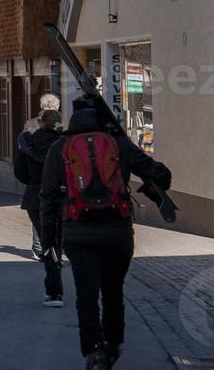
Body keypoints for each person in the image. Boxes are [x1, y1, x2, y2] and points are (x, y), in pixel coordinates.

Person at [40, 93, 171, 369]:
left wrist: (48, 239)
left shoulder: (60, 148)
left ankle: (93, 351)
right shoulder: (118, 144)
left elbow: (49, 197)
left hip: (77, 233)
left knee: (86, 296)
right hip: (117, 231)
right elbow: (161, 175)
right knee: (113, 291)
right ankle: (113, 346)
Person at [15, 108, 64, 307]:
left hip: (35, 196)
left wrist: (34, 180)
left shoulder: (29, 142)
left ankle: (53, 291)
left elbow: (20, 173)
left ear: (41, 122)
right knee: (57, 241)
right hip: (60, 195)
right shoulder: (63, 145)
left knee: (47, 242)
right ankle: (56, 288)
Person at [22, 91, 63, 259]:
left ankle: (39, 247)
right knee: (56, 214)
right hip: (56, 182)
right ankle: (54, 249)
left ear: (41, 106)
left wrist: (28, 177)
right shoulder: (61, 129)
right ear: (56, 107)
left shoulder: (30, 125)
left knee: (37, 211)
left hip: (35, 180)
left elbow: (22, 158)